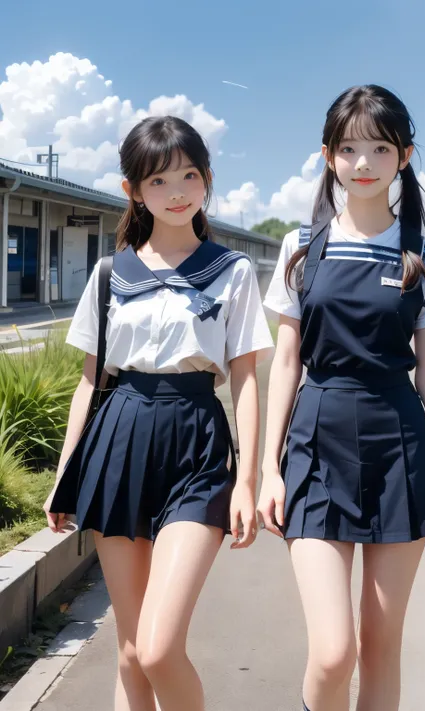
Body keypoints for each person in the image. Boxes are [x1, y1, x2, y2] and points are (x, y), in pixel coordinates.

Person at [43, 115, 274, 711]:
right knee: (129, 649)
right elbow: (90, 382)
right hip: (119, 440)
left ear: (207, 181)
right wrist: (65, 474)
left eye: (189, 176)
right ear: (133, 191)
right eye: (158, 180)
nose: (176, 192)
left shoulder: (232, 270)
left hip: (197, 444)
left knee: (159, 647)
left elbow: (246, 379)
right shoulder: (108, 274)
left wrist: (246, 477)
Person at [258, 84, 425, 711]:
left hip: (399, 446)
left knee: (382, 642)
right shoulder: (301, 247)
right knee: (333, 651)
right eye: (348, 148)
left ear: (404, 156)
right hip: (316, 440)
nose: (363, 163)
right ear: (328, 156)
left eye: (380, 148)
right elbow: (286, 363)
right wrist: (267, 469)